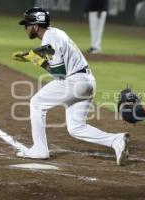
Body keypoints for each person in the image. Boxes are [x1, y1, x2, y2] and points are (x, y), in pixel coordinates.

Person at [12, 7, 129, 166]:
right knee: (76, 127)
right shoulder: (55, 33)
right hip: (87, 82)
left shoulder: (50, 38)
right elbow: (47, 50)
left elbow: (59, 72)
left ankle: (40, 149)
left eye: (27, 24)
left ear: (36, 26)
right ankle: (116, 140)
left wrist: (38, 61)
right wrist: (30, 55)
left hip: (75, 82)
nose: (25, 28)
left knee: (37, 103)